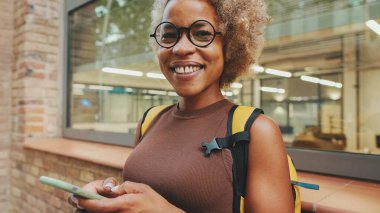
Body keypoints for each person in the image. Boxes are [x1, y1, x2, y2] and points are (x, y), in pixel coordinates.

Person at [69, 0, 294, 212]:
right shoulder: (150, 120)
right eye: (169, 35)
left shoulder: (256, 131)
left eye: (202, 33)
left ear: (230, 44)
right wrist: (108, 198)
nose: (181, 48)